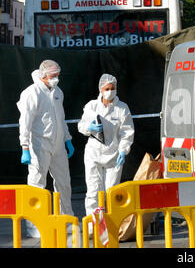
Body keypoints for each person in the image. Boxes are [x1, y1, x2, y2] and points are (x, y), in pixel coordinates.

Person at [17, 60, 75, 237]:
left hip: (57, 145)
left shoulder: (58, 92)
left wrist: (67, 139)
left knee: (64, 183)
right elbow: (24, 122)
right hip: (38, 145)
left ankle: (66, 219)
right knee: (37, 185)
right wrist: (25, 146)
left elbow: (61, 117)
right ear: (43, 75)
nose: (56, 79)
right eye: (53, 76)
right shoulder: (32, 93)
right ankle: (35, 226)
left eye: (57, 75)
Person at [78, 74, 134, 221]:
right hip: (93, 154)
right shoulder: (91, 106)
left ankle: (112, 224)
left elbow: (127, 132)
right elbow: (81, 126)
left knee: (112, 192)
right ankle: (93, 225)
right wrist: (89, 127)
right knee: (93, 192)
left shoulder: (122, 108)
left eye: (113, 88)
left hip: (113, 155)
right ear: (101, 90)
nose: (110, 91)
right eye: (107, 88)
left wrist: (123, 150)